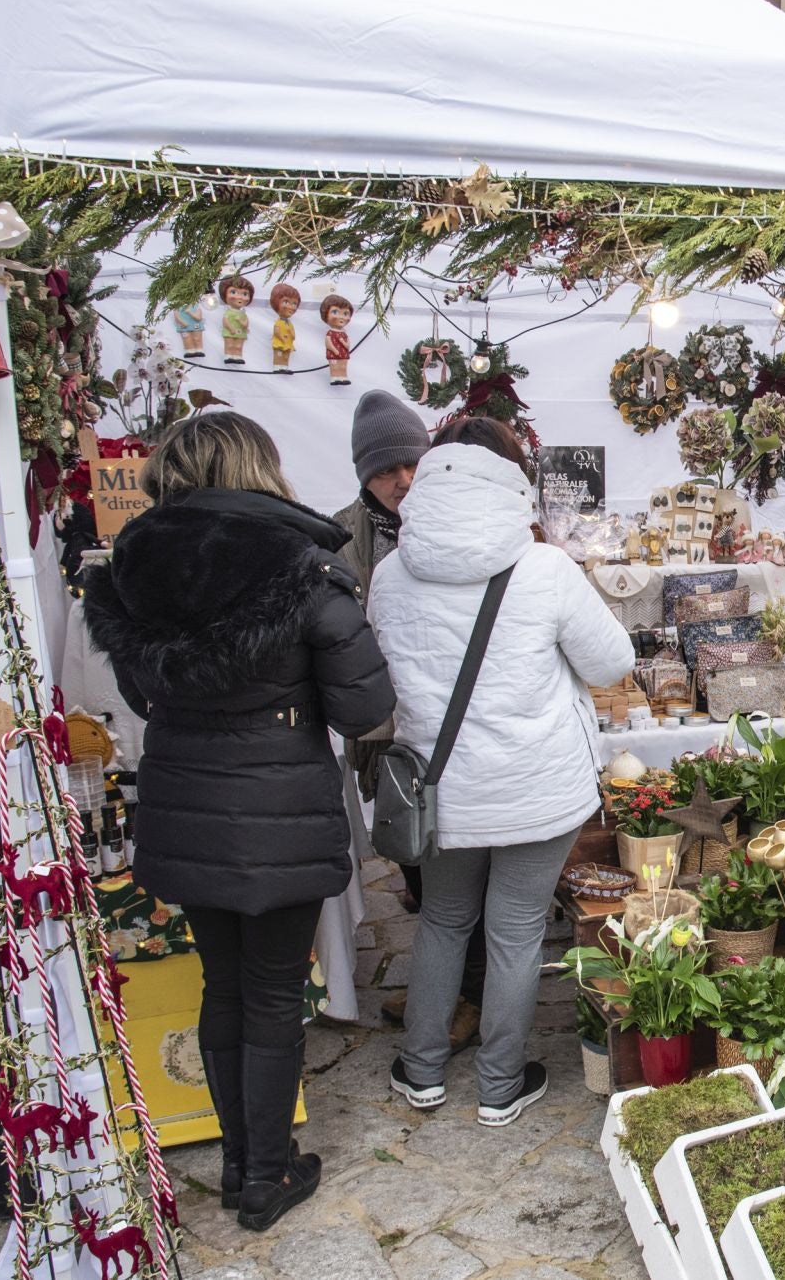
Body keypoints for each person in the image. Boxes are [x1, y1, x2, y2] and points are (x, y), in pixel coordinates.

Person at [82, 411, 394, 1230]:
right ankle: (265, 1175)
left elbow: (140, 694)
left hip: (183, 797)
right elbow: (367, 707)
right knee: (270, 993)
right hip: (278, 806)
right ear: (259, 466)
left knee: (225, 986)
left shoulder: (132, 564)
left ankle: (235, 1163)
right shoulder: (304, 565)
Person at [369, 414, 634, 1126]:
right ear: (513, 484)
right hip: (534, 786)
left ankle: (422, 1070)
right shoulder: (544, 568)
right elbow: (612, 663)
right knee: (514, 929)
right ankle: (499, 1085)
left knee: (444, 920)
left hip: (441, 788)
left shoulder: (390, 573)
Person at [330, 391, 486, 1046]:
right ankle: (438, 988)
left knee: (460, 877)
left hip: (456, 731)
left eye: (410, 465)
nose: (401, 480)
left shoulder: (455, 522)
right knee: (420, 871)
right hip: (390, 738)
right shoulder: (340, 537)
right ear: (364, 471)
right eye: (386, 468)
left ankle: (463, 1002)